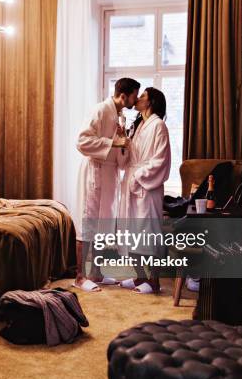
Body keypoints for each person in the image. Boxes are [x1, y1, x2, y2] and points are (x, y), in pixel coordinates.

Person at [73, 78, 140, 292]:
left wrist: (122, 144)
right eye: (134, 95)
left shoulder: (120, 116)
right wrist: (113, 142)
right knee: (88, 225)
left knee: (103, 226)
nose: (135, 100)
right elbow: (81, 141)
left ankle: (98, 273)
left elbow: (119, 153)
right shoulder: (100, 109)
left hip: (110, 175)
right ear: (124, 95)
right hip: (95, 172)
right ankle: (80, 277)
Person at [117, 87, 171, 294]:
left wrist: (139, 176)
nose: (137, 99)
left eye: (142, 96)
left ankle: (154, 281)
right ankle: (139, 277)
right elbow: (127, 158)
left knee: (148, 232)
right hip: (131, 183)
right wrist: (123, 142)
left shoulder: (158, 126)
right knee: (131, 232)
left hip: (147, 187)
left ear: (151, 102)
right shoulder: (139, 125)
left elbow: (160, 160)